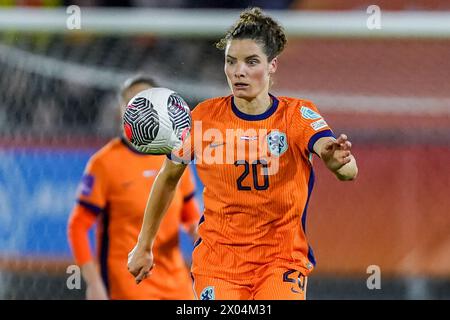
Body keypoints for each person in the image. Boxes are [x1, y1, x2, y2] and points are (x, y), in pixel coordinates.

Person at [128, 8, 358, 300]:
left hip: (281, 260)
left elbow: (345, 166)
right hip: (218, 263)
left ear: (272, 65)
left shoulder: (297, 115)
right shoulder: (203, 118)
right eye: (231, 62)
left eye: (251, 62)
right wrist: (144, 245)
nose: (239, 71)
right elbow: (168, 177)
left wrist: (338, 163)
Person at [67, 75, 200, 300]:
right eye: (130, 104)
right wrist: (94, 282)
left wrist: (204, 238)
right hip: (129, 279)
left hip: (175, 280)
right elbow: (78, 226)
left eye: (143, 102)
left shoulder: (177, 157)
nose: (137, 110)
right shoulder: (104, 163)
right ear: (121, 111)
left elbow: (189, 215)